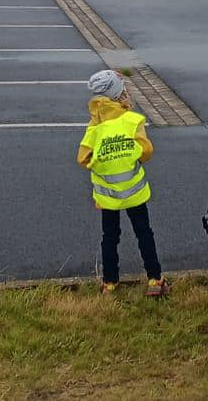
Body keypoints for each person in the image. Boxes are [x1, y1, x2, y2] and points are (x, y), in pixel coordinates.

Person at [77, 69, 166, 297]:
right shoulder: (131, 120)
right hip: (134, 191)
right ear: (119, 95)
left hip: (107, 196)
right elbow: (146, 151)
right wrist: (129, 153)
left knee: (110, 236)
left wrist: (102, 159)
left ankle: (109, 283)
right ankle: (155, 280)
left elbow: (83, 157)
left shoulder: (95, 127)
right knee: (144, 232)